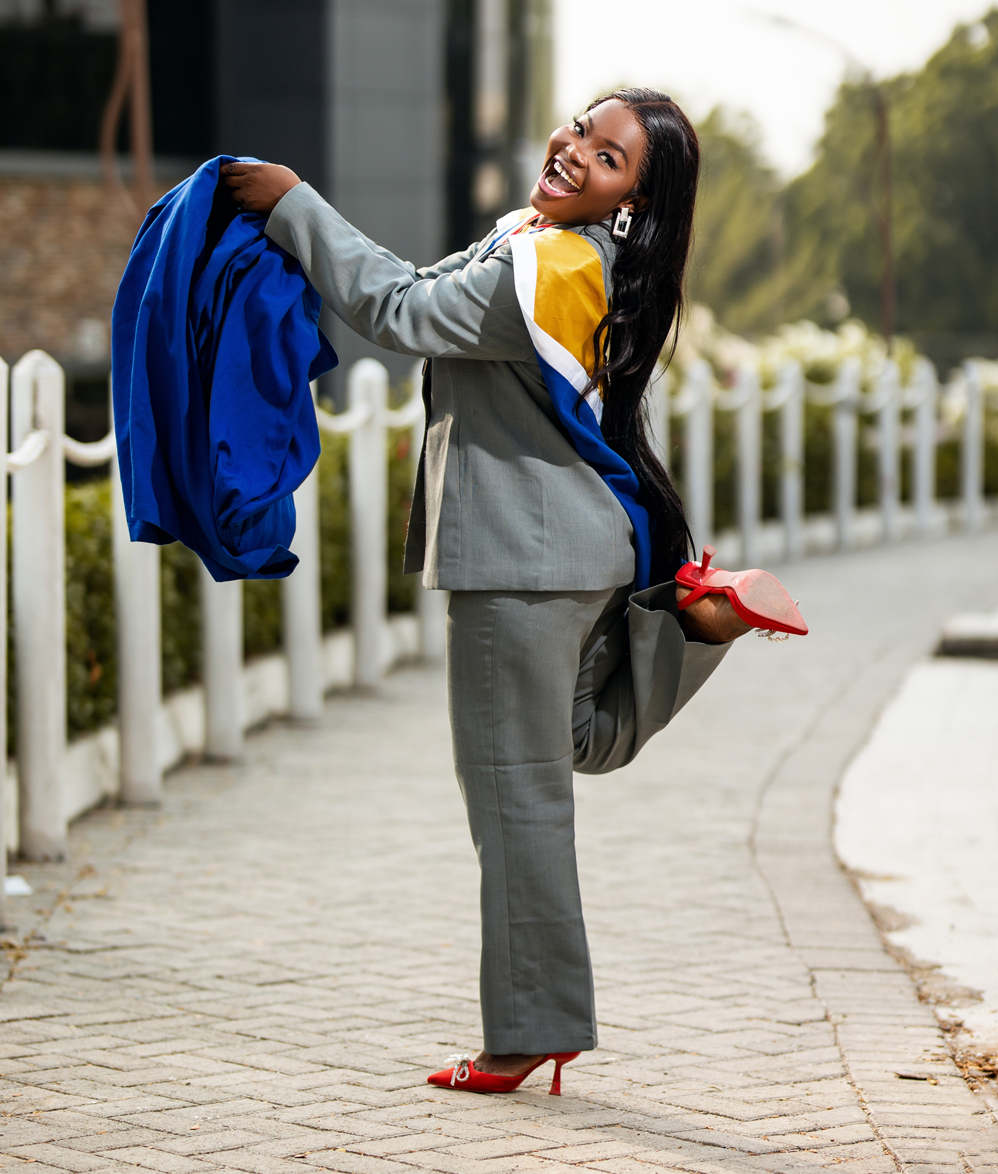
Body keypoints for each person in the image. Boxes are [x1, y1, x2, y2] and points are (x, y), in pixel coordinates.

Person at [223, 88, 801, 1096]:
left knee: (515, 796)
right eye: (581, 127)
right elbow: (411, 284)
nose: (576, 150)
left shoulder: (544, 269)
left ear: (630, 203)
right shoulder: (546, 249)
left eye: (610, 158)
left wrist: (291, 202)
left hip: (522, 565)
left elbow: (397, 308)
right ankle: (697, 626)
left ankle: (530, 1030)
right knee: (571, 745)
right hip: (568, 556)